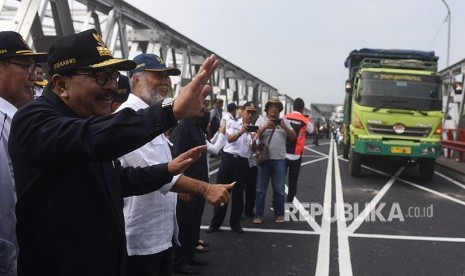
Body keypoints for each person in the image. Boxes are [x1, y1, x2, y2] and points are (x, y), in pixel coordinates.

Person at [8, 29, 232, 276]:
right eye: (101, 77)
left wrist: (166, 170)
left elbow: (116, 180)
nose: (112, 88)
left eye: (114, 76)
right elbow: (93, 137)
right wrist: (170, 111)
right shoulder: (33, 120)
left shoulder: (85, 119)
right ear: (61, 84)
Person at [115, 53, 185, 276]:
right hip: (141, 239)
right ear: (136, 80)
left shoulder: (152, 118)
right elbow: (153, 172)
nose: (166, 82)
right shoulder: (126, 116)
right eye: (158, 76)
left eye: (167, 76)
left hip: (161, 234)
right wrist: (204, 188)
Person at [0, 30, 47, 276]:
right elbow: (4, 208)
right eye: (25, 66)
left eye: (34, 66)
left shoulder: (14, 118)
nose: (34, 75)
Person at [170, 96, 227, 275]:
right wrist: (181, 188)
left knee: (194, 224)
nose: (204, 107)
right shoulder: (183, 128)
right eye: (200, 103)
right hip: (188, 187)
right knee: (185, 225)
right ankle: (179, 262)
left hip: (199, 184)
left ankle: (189, 255)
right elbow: (177, 157)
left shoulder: (196, 127)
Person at [206, 101, 257, 234]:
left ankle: (235, 223)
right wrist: (241, 132)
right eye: (248, 112)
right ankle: (215, 223)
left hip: (243, 162)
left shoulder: (253, 129)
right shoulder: (232, 123)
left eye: (252, 113)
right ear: (242, 111)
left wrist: (255, 139)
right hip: (229, 159)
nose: (250, 116)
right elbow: (229, 139)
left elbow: (254, 149)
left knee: (239, 194)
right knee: (221, 191)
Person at [253, 98, 296, 224]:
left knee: (279, 190)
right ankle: (259, 215)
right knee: (260, 189)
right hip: (264, 159)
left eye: (276, 107)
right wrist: (265, 127)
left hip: (279, 160)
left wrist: (284, 127)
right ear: (267, 109)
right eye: (271, 107)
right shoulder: (261, 120)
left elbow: (293, 137)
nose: (274, 109)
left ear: (279, 110)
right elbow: (254, 137)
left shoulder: (284, 121)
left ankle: (279, 214)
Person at [284, 98, 314, 204]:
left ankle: (275, 204)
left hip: (283, 153)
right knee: (292, 182)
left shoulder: (285, 117)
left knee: (279, 180)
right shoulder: (305, 120)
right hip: (296, 155)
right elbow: (312, 130)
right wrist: (307, 118)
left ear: (293, 107)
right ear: (302, 109)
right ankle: (289, 204)